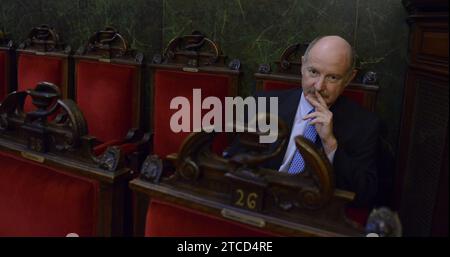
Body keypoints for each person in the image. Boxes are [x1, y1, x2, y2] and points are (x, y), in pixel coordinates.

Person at [227, 35, 380, 207]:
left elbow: (366, 195)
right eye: (313, 72)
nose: (319, 86)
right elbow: (233, 161)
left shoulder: (365, 125)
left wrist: (330, 145)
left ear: (349, 78)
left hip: (314, 214)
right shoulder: (262, 105)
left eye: (332, 78)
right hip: (259, 202)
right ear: (302, 66)